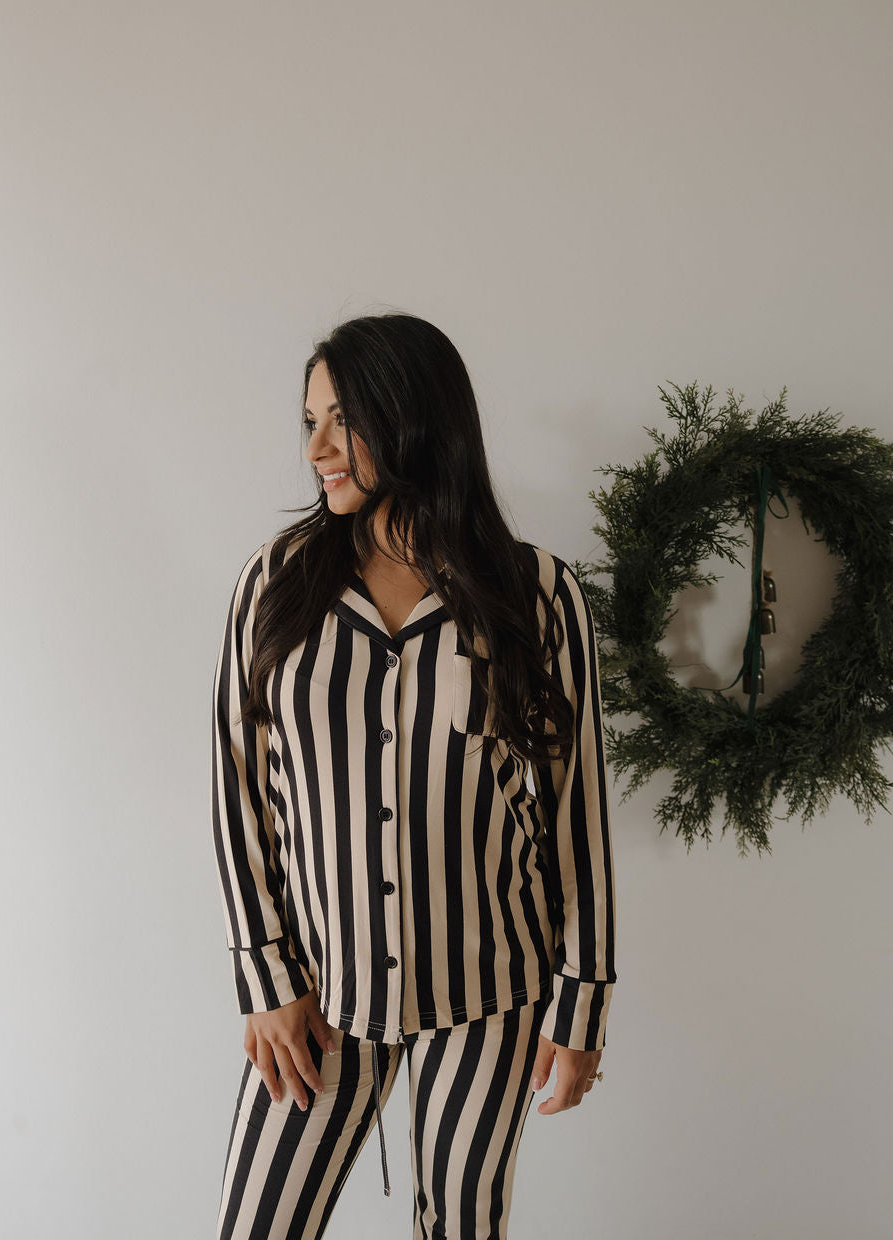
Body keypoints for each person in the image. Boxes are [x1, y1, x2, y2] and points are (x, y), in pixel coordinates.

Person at [211, 311, 617, 1240]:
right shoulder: (272, 585)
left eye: (339, 418)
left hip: (490, 994)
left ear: (414, 417)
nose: (314, 445)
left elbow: (574, 809)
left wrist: (582, 1000)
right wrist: (266, 979)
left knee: (462, 1230)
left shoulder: (538, 593)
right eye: (307, 419)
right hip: (317, 997)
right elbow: (238, 792)